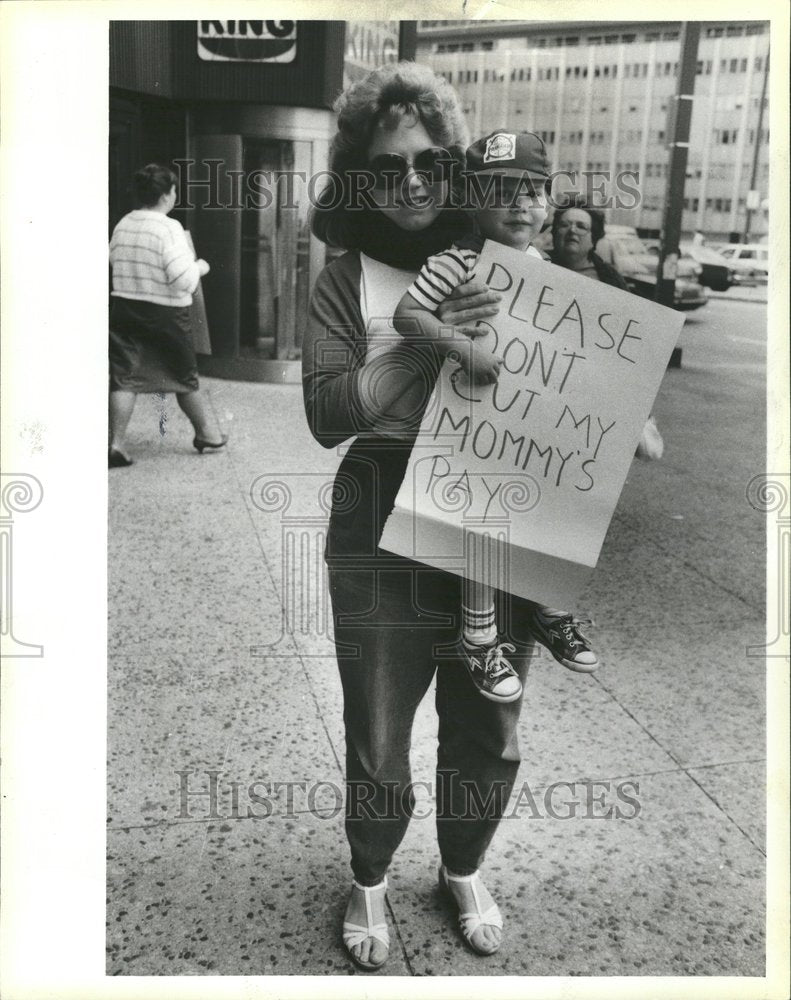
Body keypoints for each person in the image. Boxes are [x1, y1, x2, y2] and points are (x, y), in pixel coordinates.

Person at [303, 62, 539, 971]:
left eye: (433, 161)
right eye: (388, 164)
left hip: (492, 502)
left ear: (456, 168)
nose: (412, 180)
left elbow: (576, 381)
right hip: (378, 501)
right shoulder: (342, 277)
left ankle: (462, 867)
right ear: (358, 173)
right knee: (380, 720)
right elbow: (328, 417)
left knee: (489, 713)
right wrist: (418, 335)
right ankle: (368, 876)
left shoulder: (507, 262)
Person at [393, 131, 599, 703]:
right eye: (501, 190)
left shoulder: (549, 270)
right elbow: (408, 314)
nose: (520, 203)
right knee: (482, 526)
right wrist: (459, 346)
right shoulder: (455, 260)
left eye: (533, 190)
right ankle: (478, 634)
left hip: (529, 428)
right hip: (472, 425)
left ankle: (550, 611)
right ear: (472, 199)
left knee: (546, 511)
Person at [108, 163, 227, 467]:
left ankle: (117, 443)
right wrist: (200, 266)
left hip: (124, 307)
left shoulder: (123, 224)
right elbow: (183, 279)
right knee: (184, 376)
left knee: (124, 378)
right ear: (166, 194)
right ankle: (206, 434)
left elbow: (112, 262)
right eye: (174, 190)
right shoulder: (168, 228)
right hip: (167, 314)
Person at [549, 198, 664, 461]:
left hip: (586, 393)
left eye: (581, 226)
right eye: (564, 224)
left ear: (594, 238)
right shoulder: (533, 266)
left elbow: (629, 354)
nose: (572, 231)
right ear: (554, 232)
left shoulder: (611, 283)